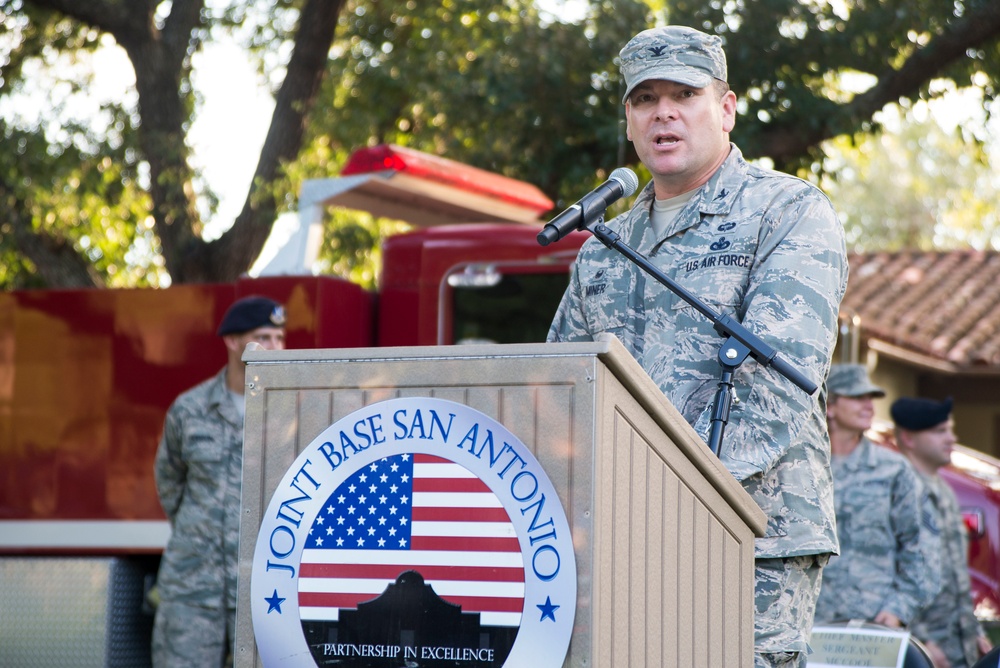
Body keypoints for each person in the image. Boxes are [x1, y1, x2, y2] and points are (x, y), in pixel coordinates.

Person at [547, 24, 847, 668]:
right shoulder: (605, 242)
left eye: (684, 93)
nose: (664, 112)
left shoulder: (787, 211)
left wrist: (662, 497)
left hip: (749, 532)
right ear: (628, 121)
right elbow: (560, 390)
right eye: (644, 98)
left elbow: (777, 382)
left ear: (727, 108)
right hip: (621, 540)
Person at [151, 295, 287, 667]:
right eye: (264, 336)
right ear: (232, 341)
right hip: (195, 589)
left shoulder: (292, 414)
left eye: (280, 337)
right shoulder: (190, 408)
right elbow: (169, 479)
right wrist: (200, 532)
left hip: (265, 589)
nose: (275, 347)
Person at [813, 364, 938, 628]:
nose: (869, 405)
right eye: (857, 397)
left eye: (870, 398)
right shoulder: (805, 468)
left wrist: (899, 609)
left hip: (874, 623)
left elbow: (921, 548)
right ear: (830, 406)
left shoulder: (893, 470)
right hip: (814, 622)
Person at [892, 397, 993, 668]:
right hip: (923, 652)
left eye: (950, 430)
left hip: (956, 646)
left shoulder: (943, 492)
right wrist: (916, 641)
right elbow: (887, 575)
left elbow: (956, 575)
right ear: (909, 439)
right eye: (940, 432)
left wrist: (975, 633)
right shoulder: (894, 492)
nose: (952, 439)